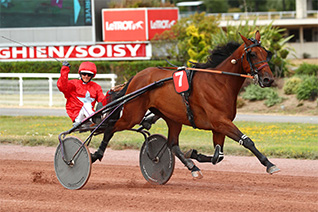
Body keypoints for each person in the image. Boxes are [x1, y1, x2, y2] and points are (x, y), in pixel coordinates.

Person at [57, 61, 106, 126]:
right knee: (87, 105)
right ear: (80, 74)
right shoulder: (73, 84)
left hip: (90, 114)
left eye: (89, 75)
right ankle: (95, 120)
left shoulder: (96, 87)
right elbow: (62, 86)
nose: (86, 76)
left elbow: (102, 101)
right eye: (84, 74)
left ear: (92, 76)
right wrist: (65, 69)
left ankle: (100, 119)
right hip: (78, 117)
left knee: (104, 106)